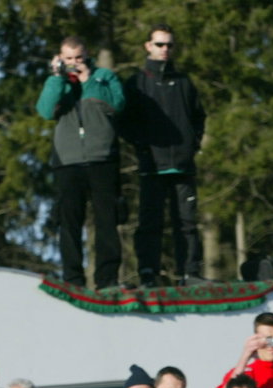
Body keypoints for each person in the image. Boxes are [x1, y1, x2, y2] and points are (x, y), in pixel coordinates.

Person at [120, 23, 206, 287]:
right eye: (159, 44)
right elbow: (124, 120)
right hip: (151, 164)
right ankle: (148, 273)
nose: (165, 49)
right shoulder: (136, 82)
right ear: (148, 46)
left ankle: (190, 273)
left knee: (187, 223)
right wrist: (142, 145)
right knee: (150, 223)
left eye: (169, 45)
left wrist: (192, 144)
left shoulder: (184, 82)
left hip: (183, 165)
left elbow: (198, 116)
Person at [36, 36, 125, 291]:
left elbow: (117, 104)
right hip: (67, 161)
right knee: (69, 222)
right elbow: (44, 111)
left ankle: (107, 279)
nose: (74, 63)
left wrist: (88, 80)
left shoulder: (104, 77)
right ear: (60, 59)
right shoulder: (57, 83)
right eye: (69, 59)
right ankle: (72, 280)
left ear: (87, 56)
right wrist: (56, 78)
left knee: (107, 221)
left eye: (78, 58)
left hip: (102, 159)